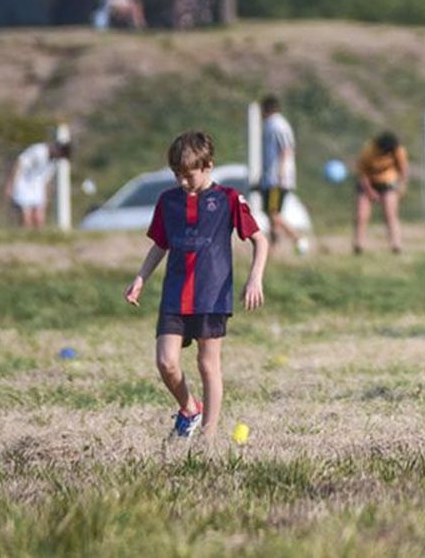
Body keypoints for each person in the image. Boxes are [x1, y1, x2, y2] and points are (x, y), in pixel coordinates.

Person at [124, 130, 269, 440]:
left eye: (188, 175)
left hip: (212, 295)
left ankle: (208, 436)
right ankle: (189, 407)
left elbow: (260, 240)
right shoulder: (168, 202)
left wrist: (255, 277)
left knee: (207, 365)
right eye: (177, 174)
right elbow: (160, 245)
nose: (182, 182)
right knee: (166, 362)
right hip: (175, 294)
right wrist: (140, 279)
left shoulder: (229, 199)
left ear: (208, 167)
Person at [259, 95, 308, 254]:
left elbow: (286, 149)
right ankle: (273, 248)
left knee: (274, 213)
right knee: (270, 214)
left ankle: (298, 239)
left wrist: (280, 173)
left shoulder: (277, 125)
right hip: (270, 178)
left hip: (276, 179)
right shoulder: (271, 125)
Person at [353, 131, 409, 255]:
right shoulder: (369, 150)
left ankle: (396, 245)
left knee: (390, 214)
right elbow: (362, 174)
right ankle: (358, 245)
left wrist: (402, 186)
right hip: (368, 181)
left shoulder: (398, 150)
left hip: (388, 182)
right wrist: (370, 191)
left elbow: (403, 169)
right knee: (361, 214)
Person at [4, 133, 72, 228]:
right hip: (23, 184)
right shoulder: (38, 151)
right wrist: (11, 184)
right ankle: (25, 239)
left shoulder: (54, 161)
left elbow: (46, 180)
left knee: (39, 218)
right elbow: (20, 163)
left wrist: (46, 196)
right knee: (26, 218)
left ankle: (38, 240)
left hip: (37, 187)